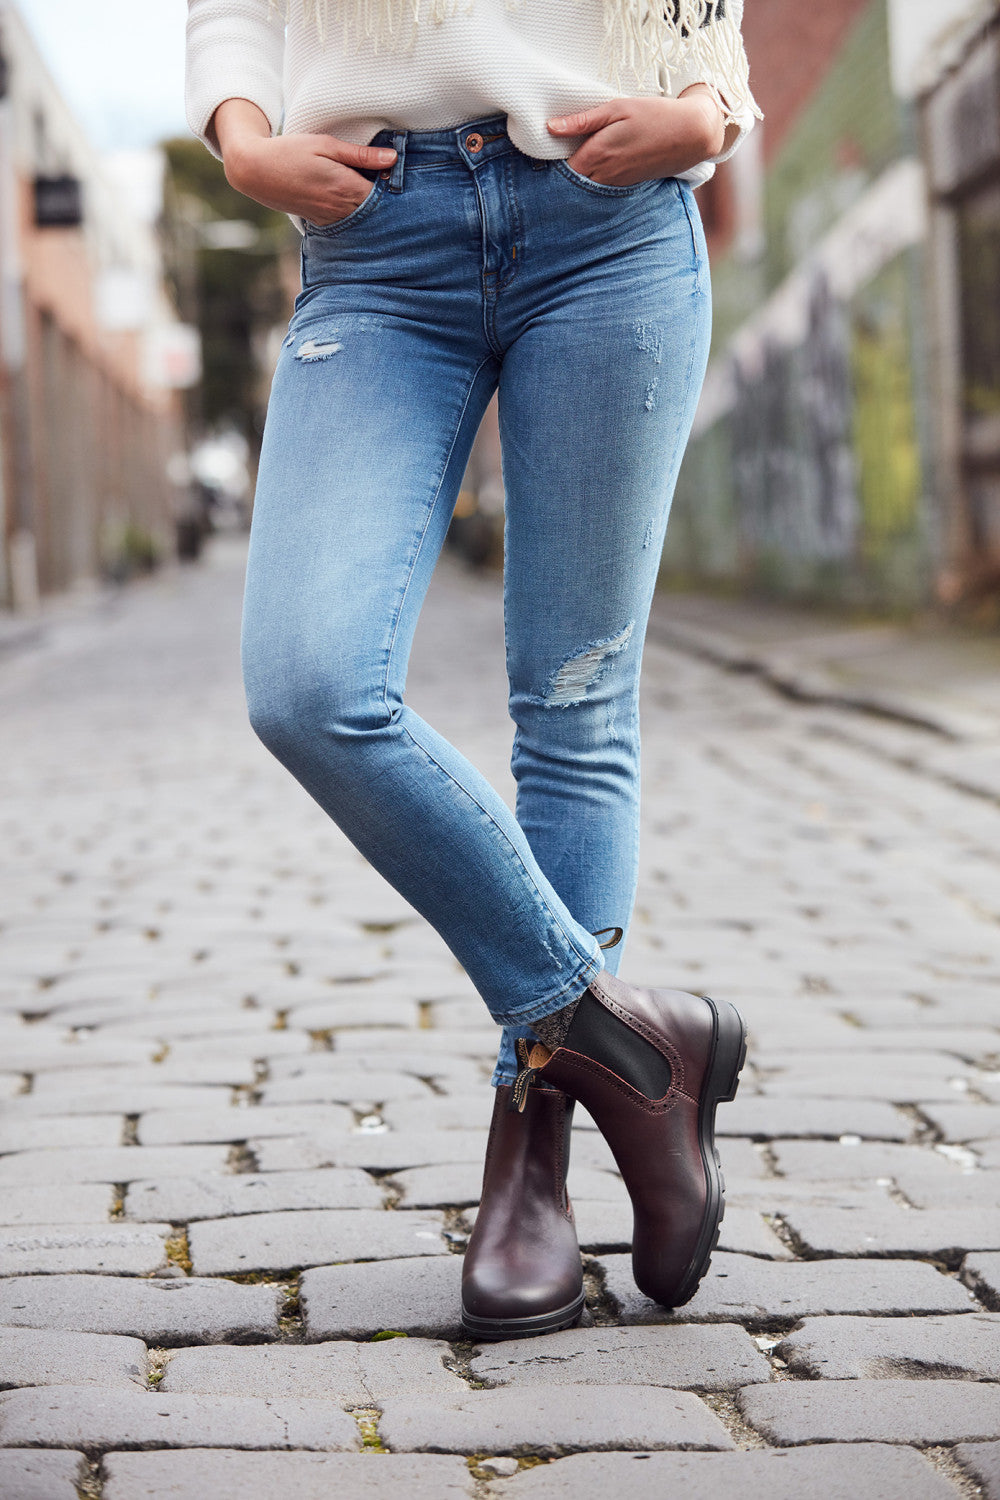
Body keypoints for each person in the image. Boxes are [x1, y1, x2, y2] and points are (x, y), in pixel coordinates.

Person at [185, 0, 761, 1341]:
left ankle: (532, 1168)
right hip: (373, 235)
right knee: (310, 686)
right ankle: (636, 1050)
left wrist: (708, 113)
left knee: (573, 706)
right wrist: (242, 143)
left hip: (607, 215)